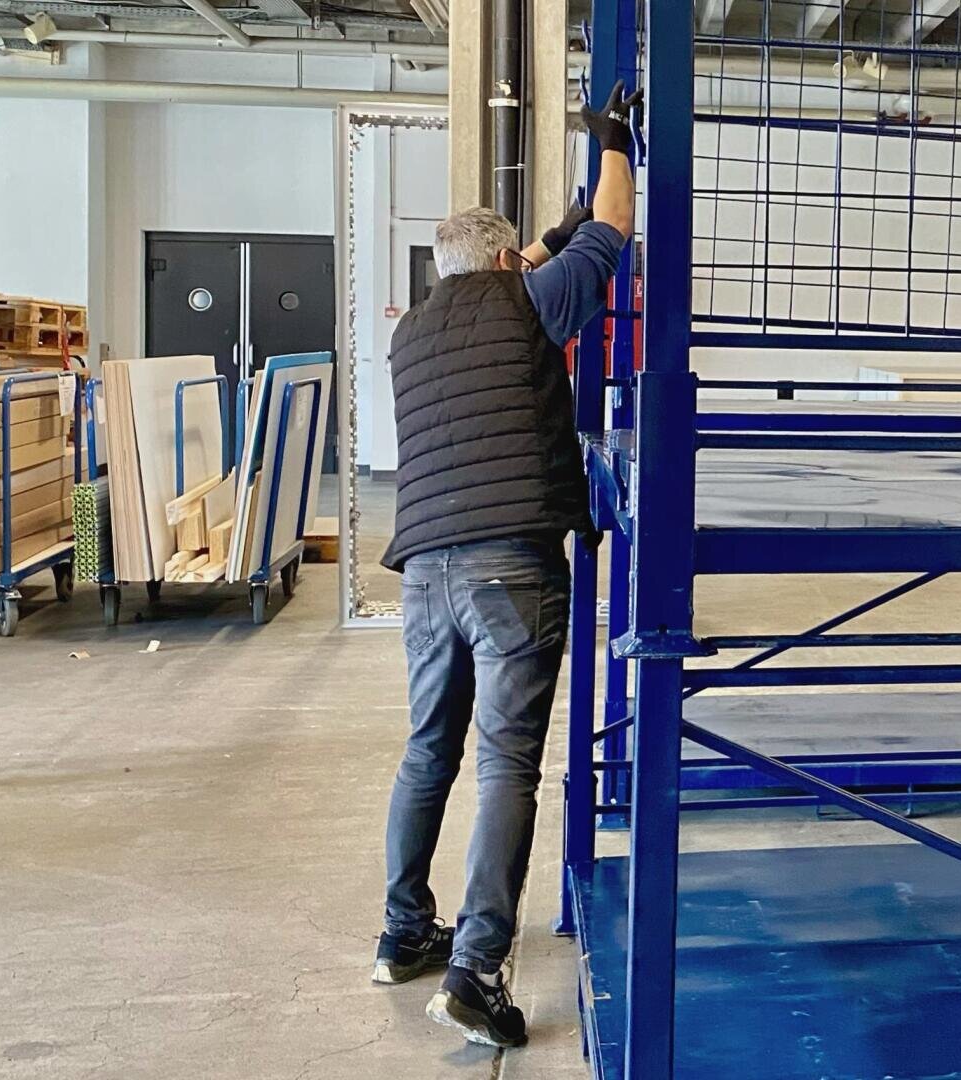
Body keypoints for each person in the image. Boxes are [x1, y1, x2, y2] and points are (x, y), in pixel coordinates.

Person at [370, 82, 639, 1049]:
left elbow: (529, 258)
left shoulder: (413, 329)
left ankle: (404, 933)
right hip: (508, 562)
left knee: (427, 748)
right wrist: (614, 141)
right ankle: (477, 972)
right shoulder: (530, 299)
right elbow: (612, 224)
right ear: (500, 257)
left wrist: (542, 236)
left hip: (424, 569)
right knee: (506, 765)